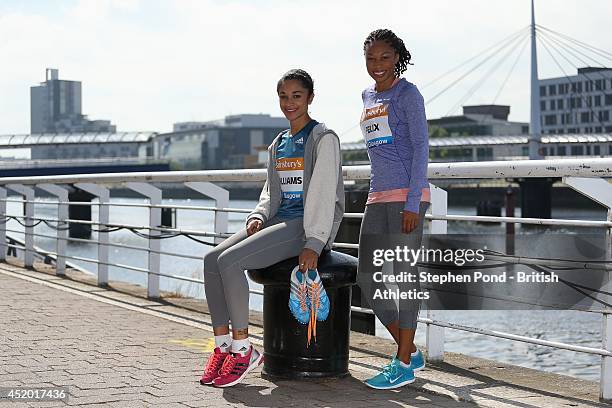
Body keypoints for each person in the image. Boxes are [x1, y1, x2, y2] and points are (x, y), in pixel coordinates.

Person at [199, 69, 344, 388]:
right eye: (283, 96)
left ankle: (243, 349)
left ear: (310, 98)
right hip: (278, 221)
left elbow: (323, 193)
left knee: (230, 263)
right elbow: (272, 193)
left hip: (303, 228)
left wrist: (316, 242)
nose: (289, 103)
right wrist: (259, 216)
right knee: (212, 260)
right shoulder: (279, 144)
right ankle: (222, 346)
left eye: (297, 96)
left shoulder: (323, 138)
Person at [356, 29, 431, 390]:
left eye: (384, 57)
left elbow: (420, 150)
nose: (377, 64)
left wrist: (414, 203)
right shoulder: (367, 95)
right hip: (377, 196)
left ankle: (402, 363)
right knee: (367, 279)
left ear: (398, 57)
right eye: (371, 58)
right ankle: (410, 348)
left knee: (403, 279)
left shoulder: (408, 94)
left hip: (407, 199)